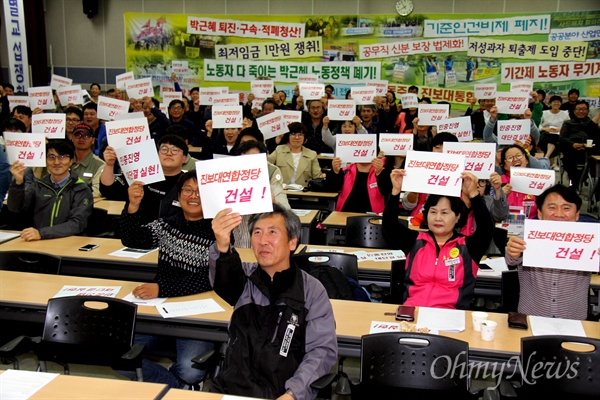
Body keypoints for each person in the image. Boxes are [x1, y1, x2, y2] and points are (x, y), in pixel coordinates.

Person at [208, 204, 338, 399]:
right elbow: (224, 279)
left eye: (272, 232)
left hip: (284, 392)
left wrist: (294, 393)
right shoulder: (244, 279)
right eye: (257, 233)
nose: (263, 241)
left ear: (292, 242)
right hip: (233, 390)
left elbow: (321, 351)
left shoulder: (311, 290)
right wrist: (222, 244)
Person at [117, 171, 215, 389]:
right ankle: (176, 387)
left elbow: (208, 279)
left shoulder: (219, 232)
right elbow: (133, 239)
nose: (193, 196)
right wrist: (133, 206)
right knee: (118, 356)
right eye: (187, 190)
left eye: (200, 192)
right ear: (178, 195)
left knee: (191, 372)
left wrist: (162, 288)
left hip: (199, 314)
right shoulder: (167, 224)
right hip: (159, 310)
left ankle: (183, 383)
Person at [382, 170, 493, 309]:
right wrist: (395, 191)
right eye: (433, 212)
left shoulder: (468, 246)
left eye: (445, 213)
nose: (438, 218)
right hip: (412, 311)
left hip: (451, 316)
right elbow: (389, 225)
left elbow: (486, 228)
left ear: (457, 216)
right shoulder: (415, 241)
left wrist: (473, 194)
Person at [505, 184, 598, 320]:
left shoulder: (590, 242)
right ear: (540, 214)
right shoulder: (527, 238)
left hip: (574, 322)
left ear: (577, 215)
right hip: (530, 320)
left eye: (566, 208)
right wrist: (512, 252)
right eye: (552, 207)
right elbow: (512, 259)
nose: (559, 214)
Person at [7, 139, 93, 241]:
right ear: (45, 161)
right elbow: (15, 208)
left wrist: (42, 233)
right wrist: (18, 183)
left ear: (71, 161)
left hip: (70, 243)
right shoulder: (38, 186)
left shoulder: (81, 189)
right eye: (51, 157)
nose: (56, 162)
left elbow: (77, 224)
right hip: (39, 242)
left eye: (62, 157)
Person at [100, 135, 188, 224]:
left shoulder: (188, 182)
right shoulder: (140, 173)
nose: (169, 153)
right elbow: (109, 191)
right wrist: (109, 165)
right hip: (138, 230)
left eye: (175, 150)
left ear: (184, 158)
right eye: (164, 149)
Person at [557, 100, 600, 188]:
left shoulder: (592, 124)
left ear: (588, 111)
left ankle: (579, 181)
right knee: (569, 159)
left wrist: (587, 146)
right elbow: (562, 138)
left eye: (584, 109)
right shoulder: (568, 123)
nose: (581, 111)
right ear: (574, 111)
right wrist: (572, 144)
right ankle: (576, 183)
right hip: (572, 150)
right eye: (579, 109)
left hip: (589, 152)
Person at [69, 123, 105, 197]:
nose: (81, 139)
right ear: (72, 138)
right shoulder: (63, 160)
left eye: (86, 136)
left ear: (93, 140)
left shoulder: (100, 164)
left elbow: (96, 192)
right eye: (77, 135)